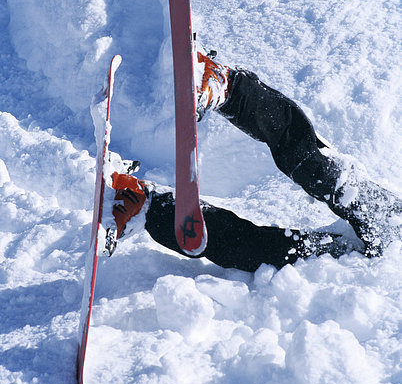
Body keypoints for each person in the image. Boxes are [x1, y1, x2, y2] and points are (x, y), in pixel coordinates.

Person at [108, 51, 401, 272]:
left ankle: (146, 205)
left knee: (259, 253)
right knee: (315, 168)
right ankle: (227, 86)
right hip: (394, 228)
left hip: (368, 268)